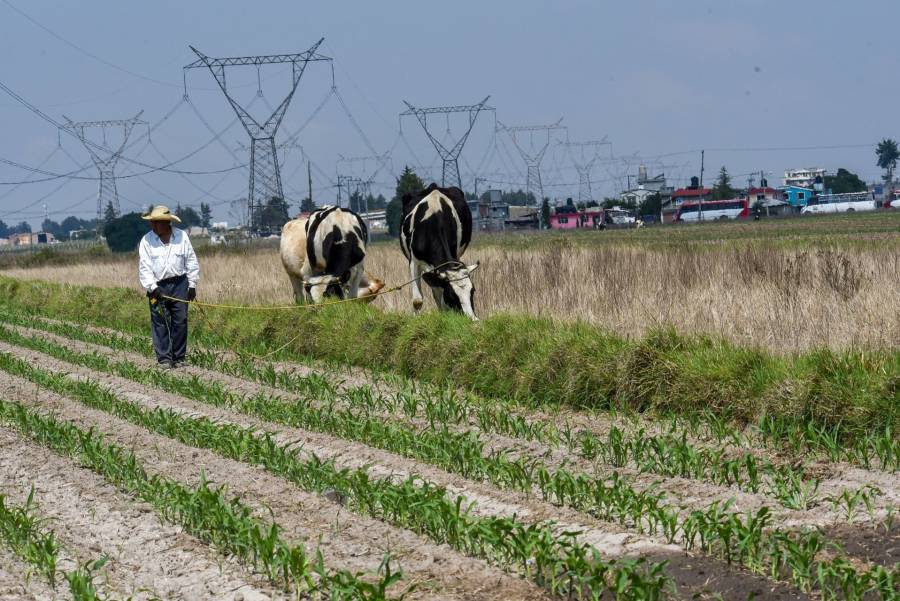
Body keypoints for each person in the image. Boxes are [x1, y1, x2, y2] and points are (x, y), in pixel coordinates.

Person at [138, 205, 200, 369]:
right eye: (152, 222)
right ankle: (164, 358)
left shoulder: (182, 237)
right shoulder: (146, 241)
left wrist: (192, 284)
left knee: (181, 320)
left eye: (156, 222)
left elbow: (191, 261)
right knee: (160, 321)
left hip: (180, 283)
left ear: (166, 223)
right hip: (157, 286)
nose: (153, 226)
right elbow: (144, 267)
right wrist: (152, 287)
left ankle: (179, 357)